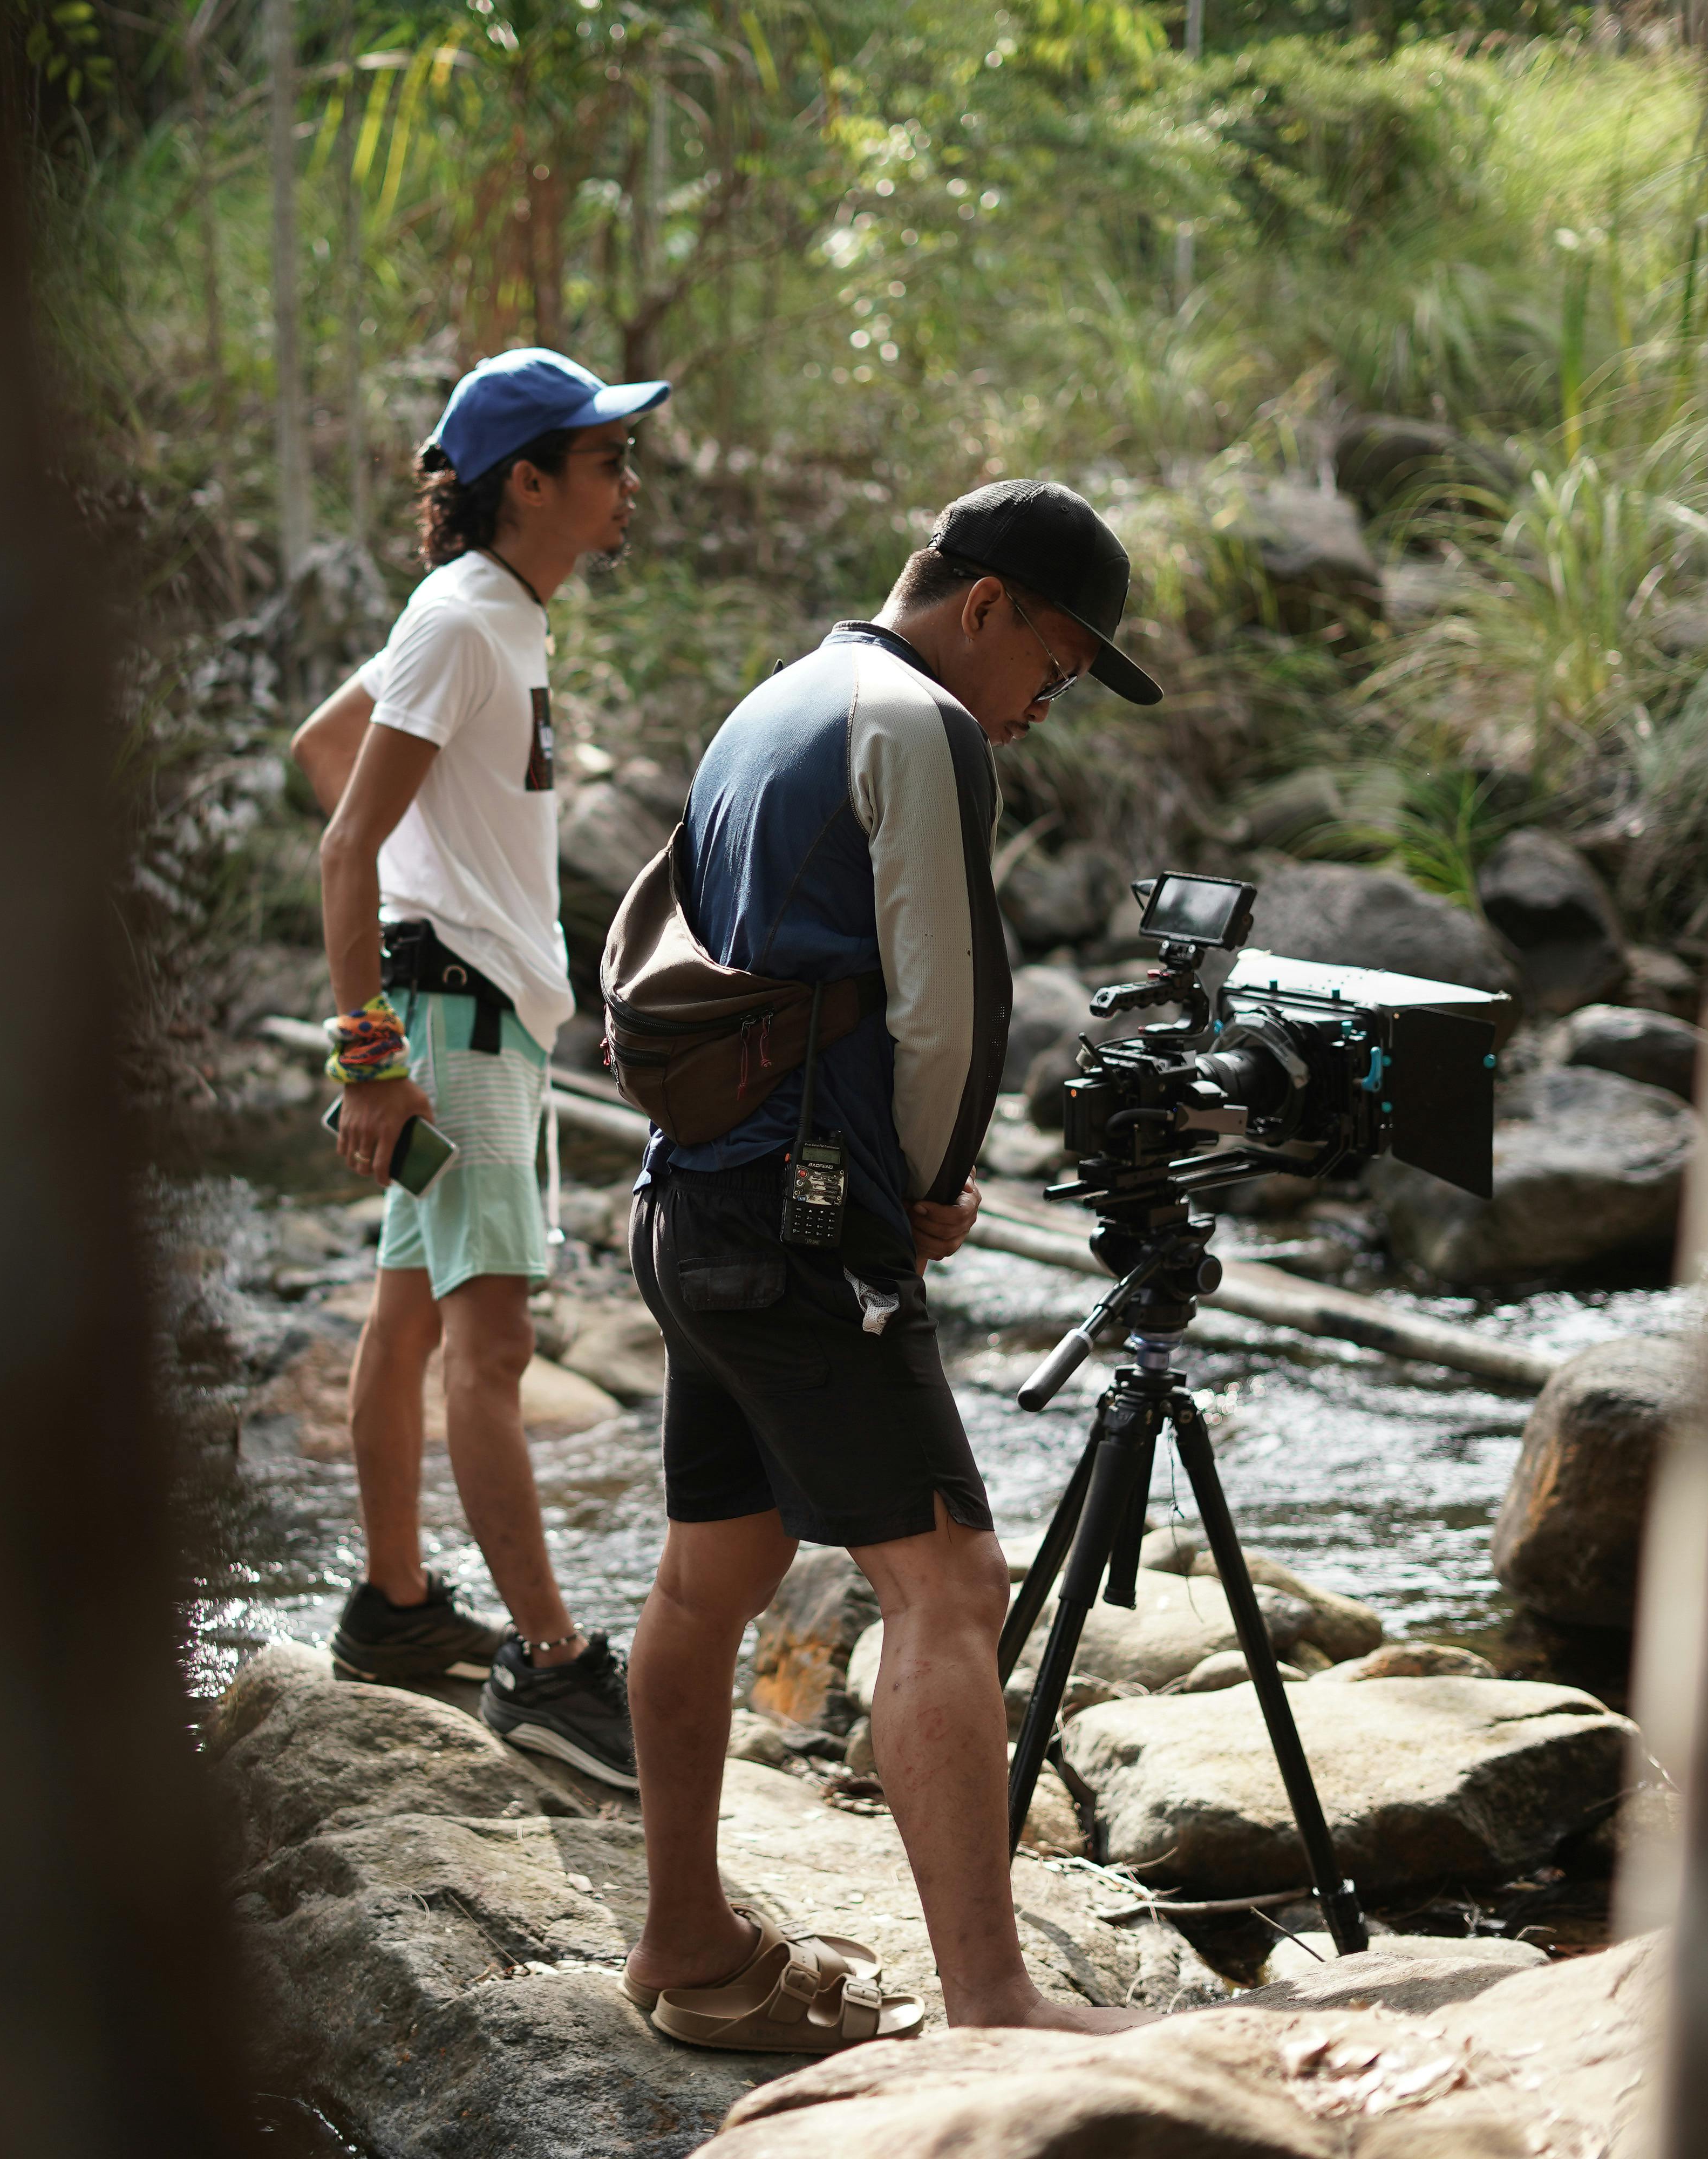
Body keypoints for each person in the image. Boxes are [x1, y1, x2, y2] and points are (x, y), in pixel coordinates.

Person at [614, 481, 1169, 2051]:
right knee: (951, 1583)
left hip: (694, 1208)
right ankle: (994, 2001)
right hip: (802, 1229)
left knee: (707, 1573)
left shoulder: (776, 699)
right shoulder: (921, 723)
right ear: (982, 605)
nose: (1043, 709)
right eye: (1054, 669)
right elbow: (944, 1003)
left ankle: (684, 1944)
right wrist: (920, 1193)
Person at [288, 349, 668, 1788]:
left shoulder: (487, 615)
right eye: (606, 462)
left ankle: (394, 1613)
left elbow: (331, 746)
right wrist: (374, 1051)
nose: (626, 487)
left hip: (466, 1015)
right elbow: (345, 838)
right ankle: (552, 1664)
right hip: (453, 1033)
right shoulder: (467, 623)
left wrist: (432, 884)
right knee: (495, 1356)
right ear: (530, 482)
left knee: (409, 1318)